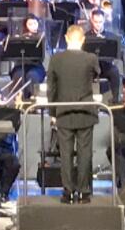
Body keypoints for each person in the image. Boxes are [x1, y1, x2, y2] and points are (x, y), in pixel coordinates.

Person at [48, 24, 101, 204]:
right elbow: (97, 75)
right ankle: (84, 192)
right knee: (85, 153)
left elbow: (51, 88)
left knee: (65, 154)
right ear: (83, 40)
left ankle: (68, 192)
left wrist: (52, 112)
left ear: (66, 38)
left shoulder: (56, 59)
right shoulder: (91, 58)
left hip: (63, 111)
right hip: (86, 111)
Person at [85, 9, 123, 103]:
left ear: (104, 21)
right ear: (91, 21)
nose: (98, 24)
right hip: (91, 67)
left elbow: (116, 54)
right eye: (96, 22)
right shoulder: (85, 36)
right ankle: (86, 99)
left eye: (100, 22)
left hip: (105, 66)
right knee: (83, 72)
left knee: (114, 71)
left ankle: (115, 100)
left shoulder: (111, 36)